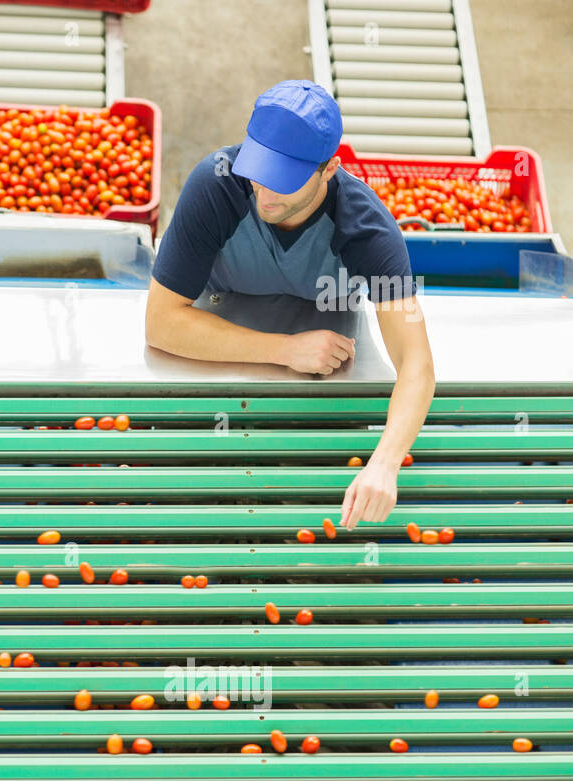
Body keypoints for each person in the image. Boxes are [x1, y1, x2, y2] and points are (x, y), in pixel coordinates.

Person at [144, 80, 435, 531]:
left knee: (304, 500)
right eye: (260, 170)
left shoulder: (368, 230)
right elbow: (162, 325)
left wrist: (384, 464)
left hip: (329, 355)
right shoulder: (217, 185)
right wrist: (284, 349)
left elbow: (416, 363)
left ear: (330, 169)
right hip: (216, 328)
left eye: (285, 180)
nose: (265, 193)